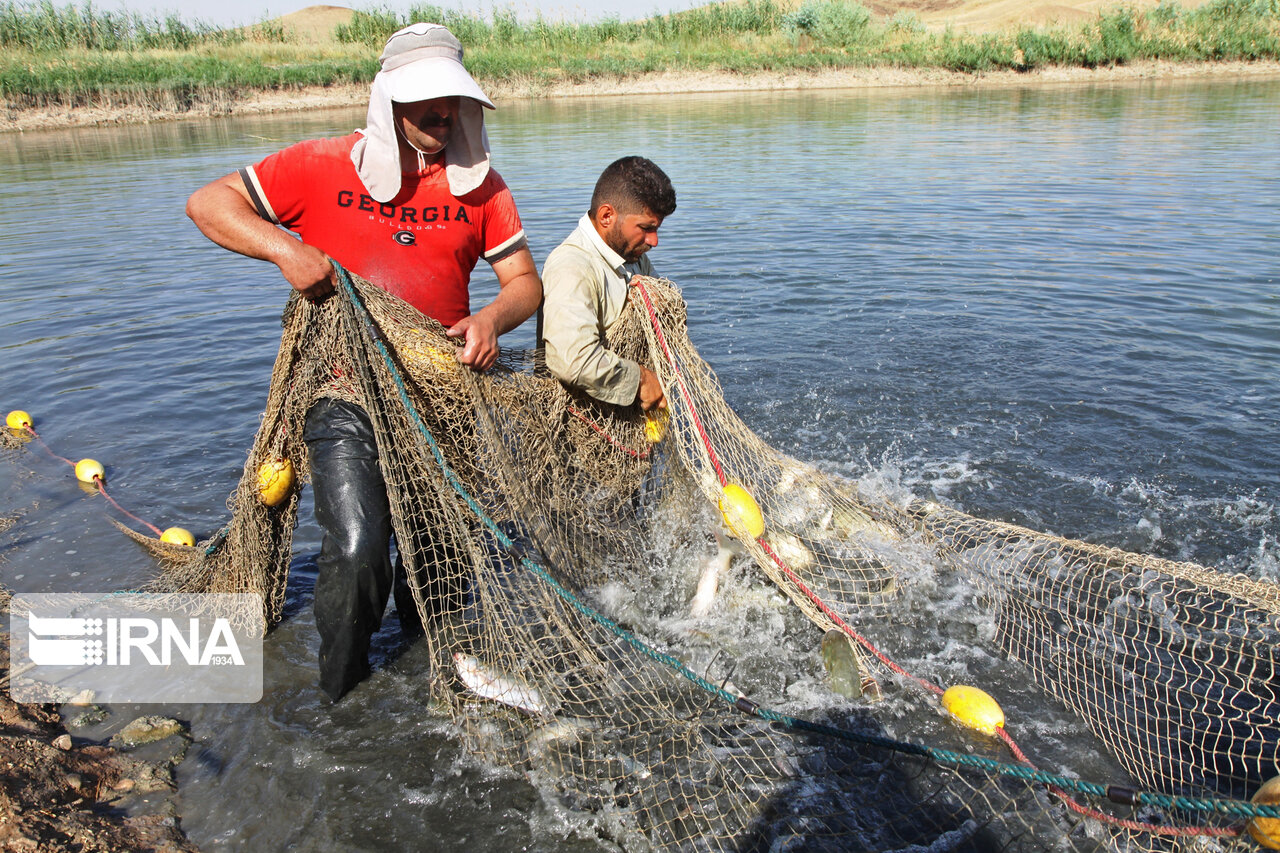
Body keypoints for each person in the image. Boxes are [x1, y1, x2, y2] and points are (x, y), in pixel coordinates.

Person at [186, 22, 541, 702]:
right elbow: (209, 204)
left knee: (434, 564)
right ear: (388, 102)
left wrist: (491, 319)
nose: (442, 115)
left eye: (452, 102)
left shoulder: (483, 188)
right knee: (357, 549)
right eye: (425, 102)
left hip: (439, 393)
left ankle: (435, 674)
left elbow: (526, 281)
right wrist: (285, 250)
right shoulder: (321, 165)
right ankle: (341, 697)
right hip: (342, 386)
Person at [539, 156, 676, 412]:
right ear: (606, 215)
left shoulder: (633, 256)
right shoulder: (571, 267)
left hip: (625, 425)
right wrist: (642, 381)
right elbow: (573, 361)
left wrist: (662, 303)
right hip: (580, 430)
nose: (654, 241)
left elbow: (668, 304)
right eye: (646, 228)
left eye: (657, 229)